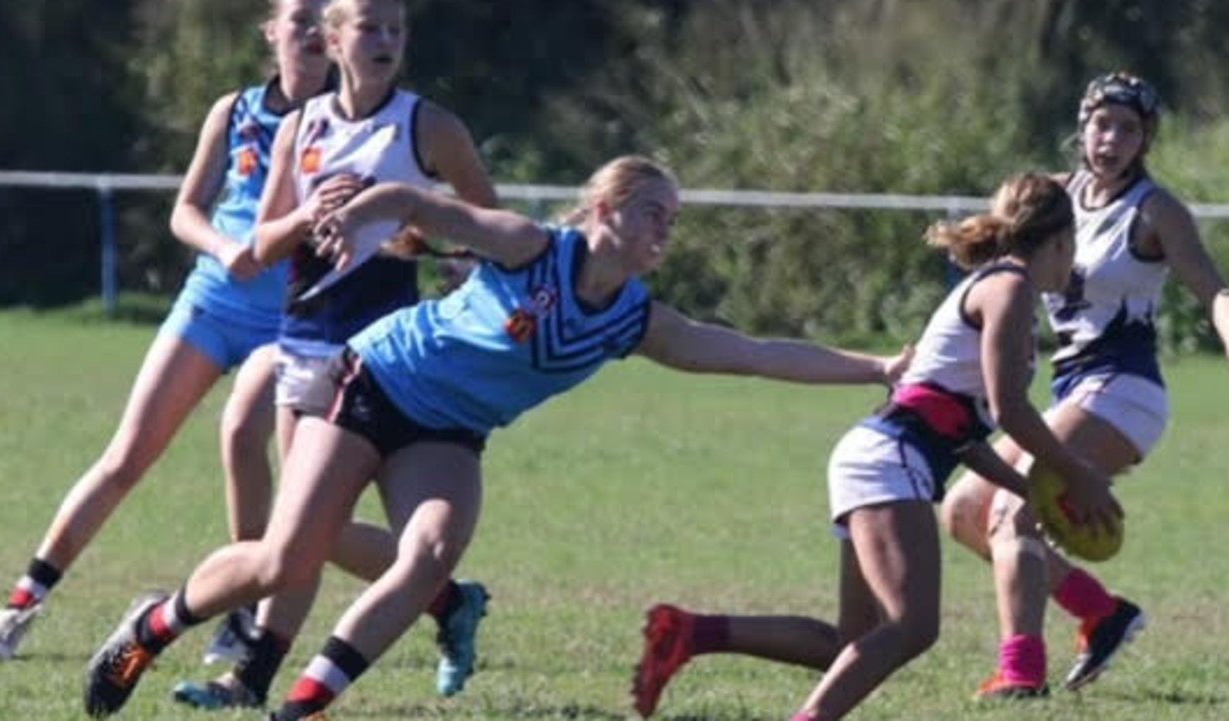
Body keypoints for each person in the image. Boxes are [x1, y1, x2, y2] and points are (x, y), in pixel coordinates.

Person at [79, 154, 914, 719]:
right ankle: (153, 623)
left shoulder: (632, 319)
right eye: (652, 212)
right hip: (373, 383)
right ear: (604, 210)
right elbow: (415, 203)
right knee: (285, 559)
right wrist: (356, 215)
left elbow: (754, 354)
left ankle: (302, 703)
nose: (666, 229)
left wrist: (876, 365)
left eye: (672, 218)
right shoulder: (529, 246)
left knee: (432, 551)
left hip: (448, 429)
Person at [630, 173, 1122, 721]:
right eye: (1072, 248)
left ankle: (688, 634)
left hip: (882, 454)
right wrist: (1075, 471)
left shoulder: (1000, 286)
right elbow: (1010, 410)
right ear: (1058, 241)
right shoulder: (1009, 287)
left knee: (851, 644)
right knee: (912, 627)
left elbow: (963, 434)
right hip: (891, 460)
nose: (1071, 264)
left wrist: (1036, 493)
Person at [0, 0, 333, 663]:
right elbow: (187, 210)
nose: (312, 32)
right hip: (214, 300)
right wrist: (226, 250)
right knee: (127, 454)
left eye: (324, 21)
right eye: (300, 18)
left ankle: (244, 615)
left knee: (245, 439)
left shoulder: (348, 122)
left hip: (291, 316)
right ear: (271, 32)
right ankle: (22, 601)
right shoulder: (234, 111)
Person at [169, 0, 500, 708]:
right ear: (335, 38)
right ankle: (442, 602)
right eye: (370, 28)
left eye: (396, 29)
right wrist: (315, 210)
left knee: (310, 529)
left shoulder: (429, 126)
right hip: (304, 339)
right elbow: (259, 249)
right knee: (302, 527)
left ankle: (256, 673)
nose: (385, 41)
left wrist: (446, 249)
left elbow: (490, 226)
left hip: (386, 360)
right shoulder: (300, 127)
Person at [939, 72, 1229, 699]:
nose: (1113, 138)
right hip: (1070, 389)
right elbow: (996, 268)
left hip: (1125, 389)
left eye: (1130, 129)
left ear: (1146, 139)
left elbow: (1214, 291)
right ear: (1082, 123)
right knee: (964, 512)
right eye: (1103, 123)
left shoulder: (1155, 210)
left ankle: (1020, 671)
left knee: (1015, 511)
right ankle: (1100, 612)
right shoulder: (1054, 198)